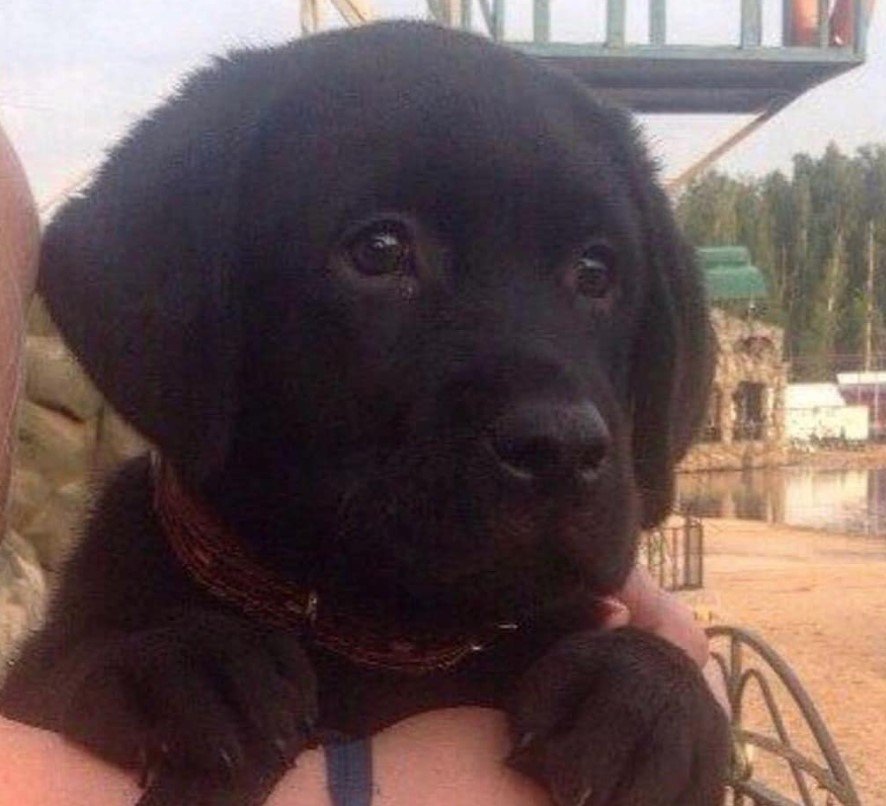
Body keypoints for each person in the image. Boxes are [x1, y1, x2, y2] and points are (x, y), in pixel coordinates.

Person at [0, 124, 725, 805]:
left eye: (593, 274)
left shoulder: (581, 654)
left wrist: (659, 686)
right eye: (380, 253)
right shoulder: (129, 643)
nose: (561, 424)